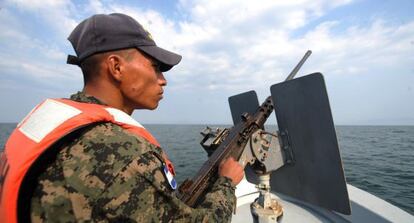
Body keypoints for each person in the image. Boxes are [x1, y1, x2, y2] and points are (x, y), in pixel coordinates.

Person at [0, 13, 244, 222]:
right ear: (116, 67)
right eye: (155, 67)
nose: (163, 80)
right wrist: (226, 182)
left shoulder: (46, 123)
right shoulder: (126, 155)